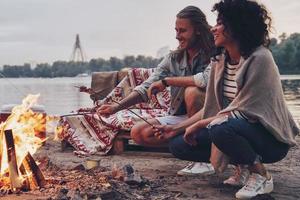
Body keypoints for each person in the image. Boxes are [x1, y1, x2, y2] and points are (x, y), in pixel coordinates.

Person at [157, 0, 299, 199]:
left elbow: (244, 111)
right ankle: (243, 165)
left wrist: (197, 126)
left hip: (270, 139)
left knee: (221, 128)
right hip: (234, 126)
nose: (214, 28)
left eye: (220, 23)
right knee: (178, 145)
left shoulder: (260, 58)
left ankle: (261, 175)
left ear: (237, 27)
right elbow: (211, 109)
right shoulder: (220, 60)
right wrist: (176, 129)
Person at [97, 6, 215, 175]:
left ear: (197, 30)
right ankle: (191, 147)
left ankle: (204, 160)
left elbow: (205, 80)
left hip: (210, 115)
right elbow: (146, 87)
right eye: (176, 30)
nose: (177, 36)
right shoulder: (173, 58)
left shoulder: (215, 53)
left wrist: (166, 82)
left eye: (182, 31)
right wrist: (116, 108)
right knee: (138, 133)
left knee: (192, 92)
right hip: (184, 117)